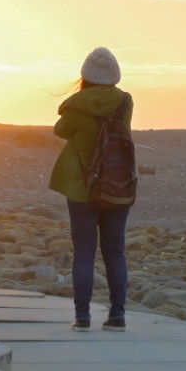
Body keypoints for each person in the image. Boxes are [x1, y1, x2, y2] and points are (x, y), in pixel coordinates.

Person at [49, 46, 133, 331]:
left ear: (85, 75)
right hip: (116, 183)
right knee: (115, 252)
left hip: (81, 188)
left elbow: (60, 131)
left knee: (84, 253)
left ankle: (82, 316)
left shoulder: (77, 105)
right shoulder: (124, 102)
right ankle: (118, 315)